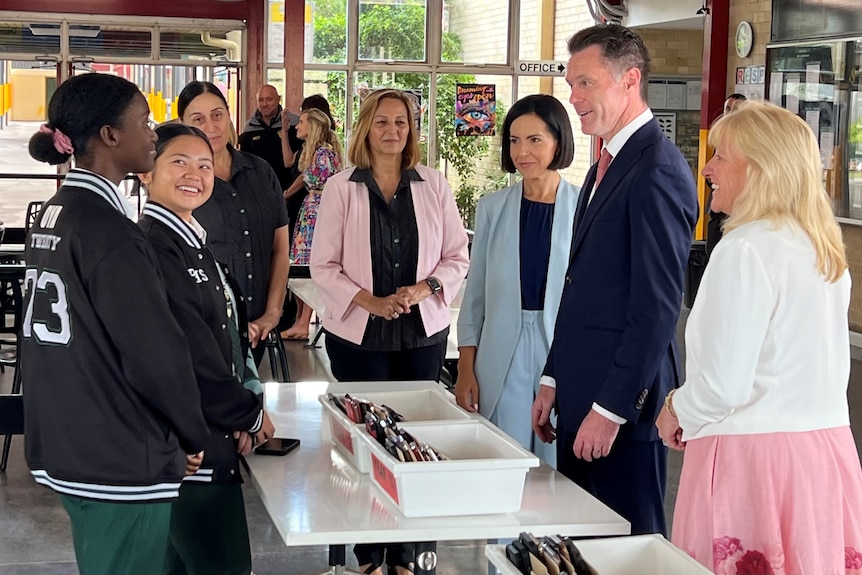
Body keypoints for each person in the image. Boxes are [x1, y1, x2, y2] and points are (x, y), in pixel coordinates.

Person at [656, 100, 862, 575]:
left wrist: (674, 411)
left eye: (721, 156)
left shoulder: (746, 249)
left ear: (761, 167)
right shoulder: (820, 246)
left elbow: (725, 386)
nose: (706, 168)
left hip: (754, 460)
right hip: (823, 454)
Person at [22, 73, 210, 575]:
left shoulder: (55, 213)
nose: (153, 134)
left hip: (69, 436)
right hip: (118, 454)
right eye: (144, 123)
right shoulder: (113, 233)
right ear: (109, 135)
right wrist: (191, 433)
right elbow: (155, 353)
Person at [531, 24, 698, 536]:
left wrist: (611, 410)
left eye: (585, 83)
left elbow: (656, 308)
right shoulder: (608, 159)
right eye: (570, 83)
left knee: (630, 547)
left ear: (630, 80)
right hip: (581, 395)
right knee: (585, 544)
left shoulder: (656, 169)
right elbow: (581, 287)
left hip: (619, 410)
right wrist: (553, 376)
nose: (573, 97)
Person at [311, 88, 469, 575]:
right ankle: (370, 555)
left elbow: (458, 255)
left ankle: (412, 555)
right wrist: (373, 302)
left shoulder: (434, 184)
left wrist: (423, 289)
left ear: (411, 130)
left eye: (401, 122)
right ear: (365, 128)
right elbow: (324, 265)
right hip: (358, 335)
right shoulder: (340, 187)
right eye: (382, 122)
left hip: (422, 334)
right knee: (367, 440)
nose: (392, 131)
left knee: (419, 441)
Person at [138, 123, 276, 575]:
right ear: (146, 173)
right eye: (178, 162)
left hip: (209, 438)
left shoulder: (192, 241)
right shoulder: (155, 248)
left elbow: (228, 337)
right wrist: (248, 414)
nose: (194, 174)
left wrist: (245, 402)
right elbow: (191, 358)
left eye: (204, 164)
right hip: (190, 450)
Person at [455, 94, 579, 467]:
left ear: (559, 142)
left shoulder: (585, 207)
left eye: (535, 140)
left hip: (561, 349)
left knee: (557, 461)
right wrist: (465, 368)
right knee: (503, 457)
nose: (523, 151)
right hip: (501, 350)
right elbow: (474, 296)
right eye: (514, 140)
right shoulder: (493, 208)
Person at [178, 81, 291, 366]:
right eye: (198, 119)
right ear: (183, 123)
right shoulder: (180, 182)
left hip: (257, 329)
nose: (211, 126)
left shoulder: (261, 172)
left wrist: (273, 312)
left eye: (217, 115)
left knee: (247, 404)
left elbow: (279, 248)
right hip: (202, 332)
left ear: (229, 115)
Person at [280, 108, 343, 340]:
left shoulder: (323, 154)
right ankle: (300, 320)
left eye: (302, 122)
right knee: (300, 263)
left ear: (313, 126)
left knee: (307, 265)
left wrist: (286, 194)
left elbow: (312, 179)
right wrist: (286, 193)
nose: (298, 126)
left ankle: (304, 321)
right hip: (312, 209)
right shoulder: (315, 152)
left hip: (318, 211)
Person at [706, 93, 747, 257]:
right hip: (717, 215)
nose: (730, 113)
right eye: (727, 109)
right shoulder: (721, 137)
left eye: (735, 109)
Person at [237, 84, 296, 192]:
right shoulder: (249, 127)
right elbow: (245, 160)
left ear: (278, 99)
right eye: (261, 100)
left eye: (269, 99)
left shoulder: (293, 123)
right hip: (259, 188)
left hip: (289, 189)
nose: (265, 104)